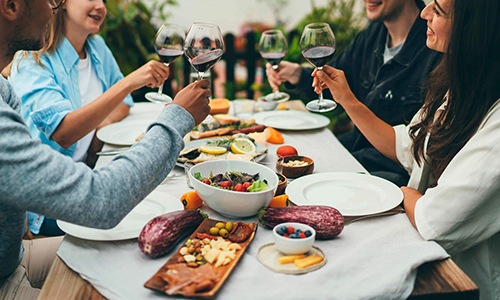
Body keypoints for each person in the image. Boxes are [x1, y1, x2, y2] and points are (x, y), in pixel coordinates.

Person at [0, 0, 211, 298]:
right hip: (6, 281)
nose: (53, 8)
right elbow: (100, 199)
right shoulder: (29, 70)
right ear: (10, 6)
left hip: (15, 260)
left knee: (154, 248)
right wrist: (176, 119)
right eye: (51, 0)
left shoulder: (3, 87)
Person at [313, 0, 499, 298]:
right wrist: (346, 98)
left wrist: (402, 193)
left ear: (472, 30)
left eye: (437, 10)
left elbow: (435, 220)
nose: (424, 13)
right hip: (424, 253)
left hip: (458, 283)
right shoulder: (458, 88)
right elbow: (407, 147)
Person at [7, 0, 171, 237]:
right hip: (50, 201)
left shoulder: (96, 47)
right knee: (142, 218)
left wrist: (98, 130)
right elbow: (63, 132)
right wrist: (129, 82)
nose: (100, 6)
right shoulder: (33, 60)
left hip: (89, 175)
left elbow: (123, 104)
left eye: (103, 0)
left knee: (157, 199)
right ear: (60, 3)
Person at [266, 0, 440, 187]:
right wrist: (296, 74)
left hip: (391, 178)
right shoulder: (370, 36)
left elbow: (421, 152)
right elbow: (334, 82)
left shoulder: (436, 49)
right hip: (355, 154)